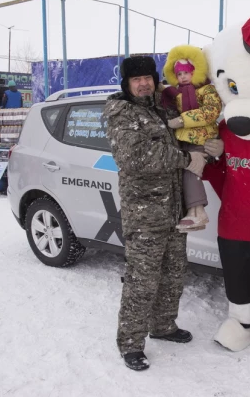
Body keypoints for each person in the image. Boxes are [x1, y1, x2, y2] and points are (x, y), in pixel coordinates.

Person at [103, 56, 209, 372]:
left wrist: (206, 151)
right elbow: (136, 156)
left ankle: (163, 325)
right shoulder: (121, 113)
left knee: (174, 272)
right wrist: (185, 160)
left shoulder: (161, 108)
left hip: (174, 208)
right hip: (144, 213)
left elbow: (187, 134)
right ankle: (131, 344)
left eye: (148, 77)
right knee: (142, 280)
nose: (144, 83)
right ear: (126, 83)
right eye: (137, 79)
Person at [161, 45, 222, 231]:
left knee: (191, 171)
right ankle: (194, 213)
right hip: (184, 142)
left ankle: (198, 213)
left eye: (187, 72)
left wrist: (182, 120)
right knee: (187, 172)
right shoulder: (177, 94)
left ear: (195, 71)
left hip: (203, 140)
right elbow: (164, 95)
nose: (183, 77)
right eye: (179, 74)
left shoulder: (207, 90)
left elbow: (211, 111)